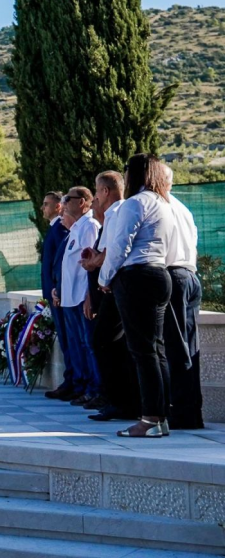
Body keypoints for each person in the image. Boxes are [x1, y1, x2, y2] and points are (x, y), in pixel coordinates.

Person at [99, 154, 175, 438]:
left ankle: (149, 419)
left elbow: (120, 245)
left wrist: (105, 278)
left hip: (136, 278)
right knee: (156, 350)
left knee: (143, 352)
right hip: (159, 275)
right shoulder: (164, 204)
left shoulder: (136, 203)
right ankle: (161, 417)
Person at [80, 171, 139, 422]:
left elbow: (115, 249)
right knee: (109, 343)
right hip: (111, 288)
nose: (95, 197)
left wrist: (99, 271)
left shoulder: (118, 212)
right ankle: (120, 401)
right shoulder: (115, 214)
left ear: (105, 191)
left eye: (96, 191)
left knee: (106, 341)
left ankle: (120, 401)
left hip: (116, 286)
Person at [162, 166, 204, 429]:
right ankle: (190, 411)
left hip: (175, 277)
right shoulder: (182, 208)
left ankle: (183, 412)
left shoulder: (161, 207)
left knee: (178, 349)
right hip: (189, 276)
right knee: (189, 347)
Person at [59, 187, 101, 407]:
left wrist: (89, 295)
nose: (64, 203)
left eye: (68, 199)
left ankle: (95, 389)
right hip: (70, 297)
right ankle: (83, 387)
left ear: (83, 202)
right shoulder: (75, 229)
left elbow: (91, 264)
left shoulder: (90, 226)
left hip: (81, 298)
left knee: (88, 344)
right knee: (78, 345)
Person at [41, 192, 75, 400]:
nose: (42, 208)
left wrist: (56, 289)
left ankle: (74, 381)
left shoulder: (61, 228)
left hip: (60, 295)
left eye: (47, 204)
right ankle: (71, 379)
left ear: (58, 207)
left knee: (70, 340)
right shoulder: (54, 228)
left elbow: (63, 263)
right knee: (65, 339)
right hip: (55, 294)